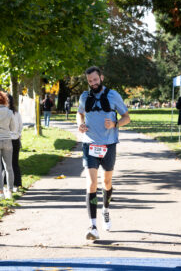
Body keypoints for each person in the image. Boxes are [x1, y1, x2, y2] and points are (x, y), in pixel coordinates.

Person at [77, 66, 130, 240]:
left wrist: (115, 124)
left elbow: (127, 118)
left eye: (95, 80)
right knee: (92, 184)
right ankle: (93, 226)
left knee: (107, 182)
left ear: (101, 77)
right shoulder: (85, 97)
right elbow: (80, 114)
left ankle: (105, 209)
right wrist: (80, 124)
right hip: (90, 144)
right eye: (90, 81)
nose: (93, 83)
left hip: (108, 145)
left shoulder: (113, 95)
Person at [0, 91, 15, 199]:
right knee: (8, 167)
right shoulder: (9, 112)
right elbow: (13, 128)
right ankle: (9, 190)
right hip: (7, 140)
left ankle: (0, 192)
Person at [7, 94, 23, 191]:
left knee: (5, 165)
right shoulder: (16, 113)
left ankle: (7, 185)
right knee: (15, 163)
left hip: (6, 139)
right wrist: (18, 135)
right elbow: (21, 126)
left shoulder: (4, 113)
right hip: (15, 140)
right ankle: (17, 184)